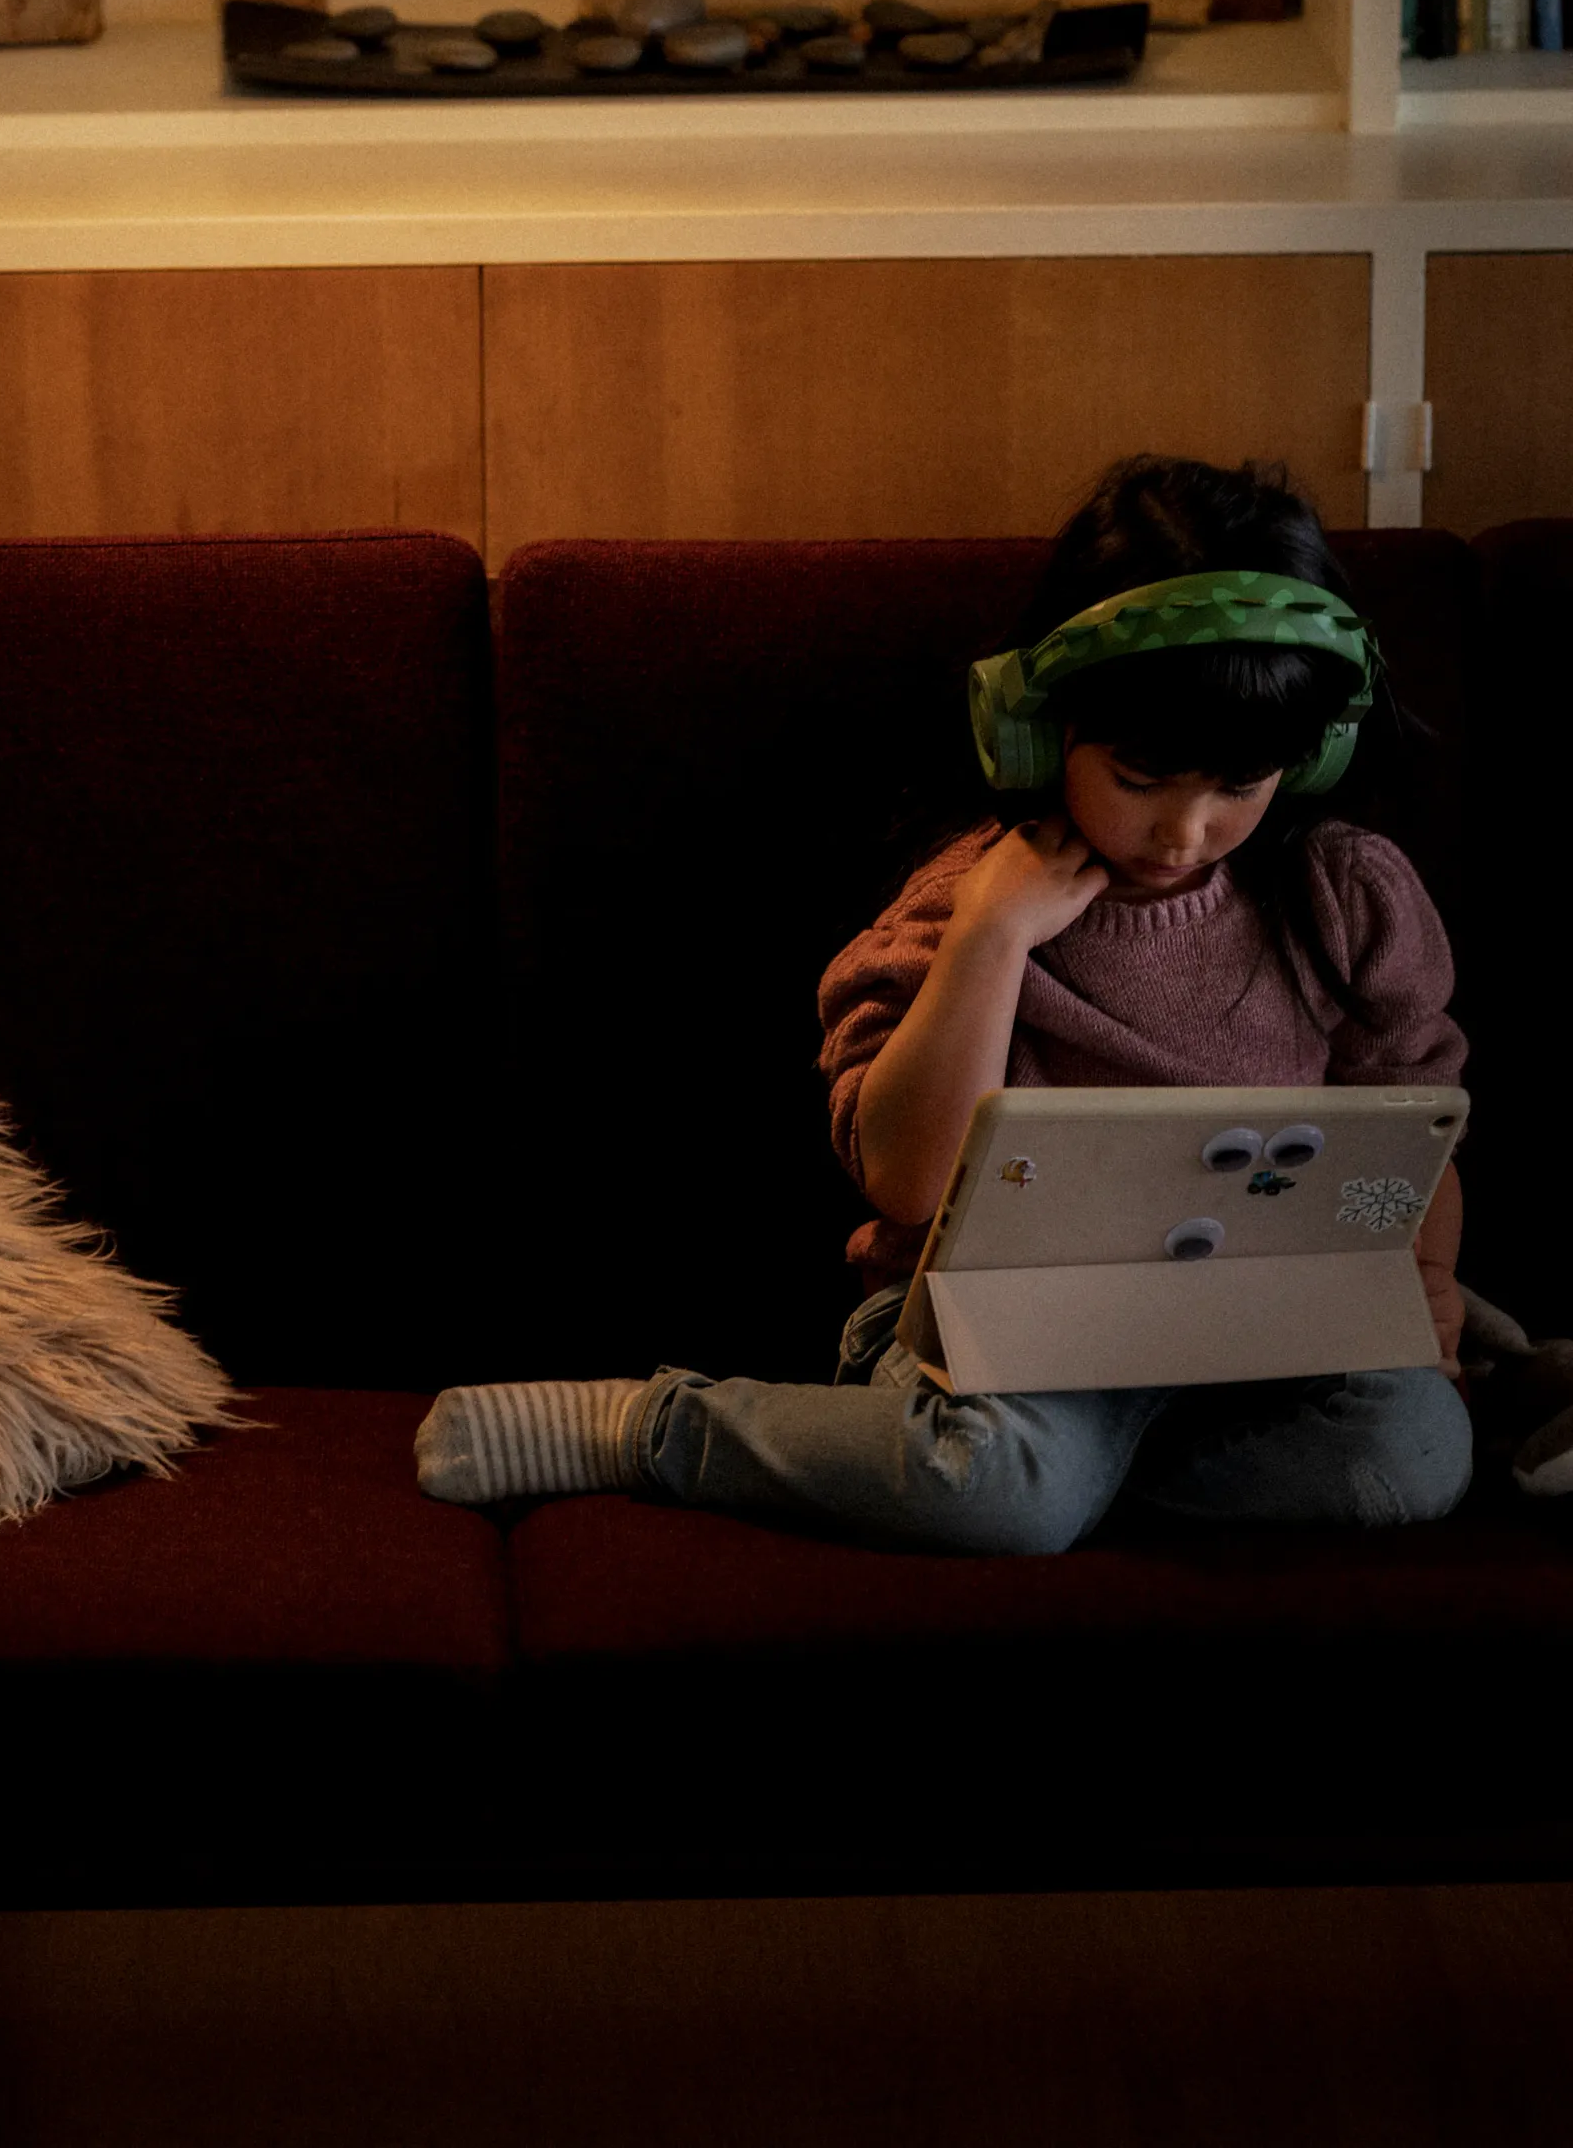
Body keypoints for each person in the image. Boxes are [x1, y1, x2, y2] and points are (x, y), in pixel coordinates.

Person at [416, 457, 1474, 1553]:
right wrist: (990, 939)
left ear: (1306, 759)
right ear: (1032, 725)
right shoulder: (964, 904)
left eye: (1236, 788)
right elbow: (907, 1178)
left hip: (1244, 1340)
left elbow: (1408, 1138)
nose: (1180, 833)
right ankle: (653, 1428)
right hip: (980, 1339)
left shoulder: (1341, 894)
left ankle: (1040, 1491)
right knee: (996, 1476)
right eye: (1140, 777)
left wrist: (1425, 1285)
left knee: (1415, 1452)